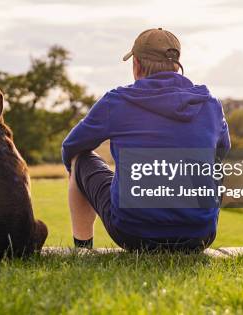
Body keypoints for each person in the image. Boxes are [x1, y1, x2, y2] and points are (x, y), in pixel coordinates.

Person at [61, 28, 231, 252]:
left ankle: (82, 250)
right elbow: (223, 150)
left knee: (79, 158)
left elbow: (72, 146)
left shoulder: (117, 101)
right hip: (200, 235)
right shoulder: (210, 103)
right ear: (176, 64)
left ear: (137, 65)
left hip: (133, 234)